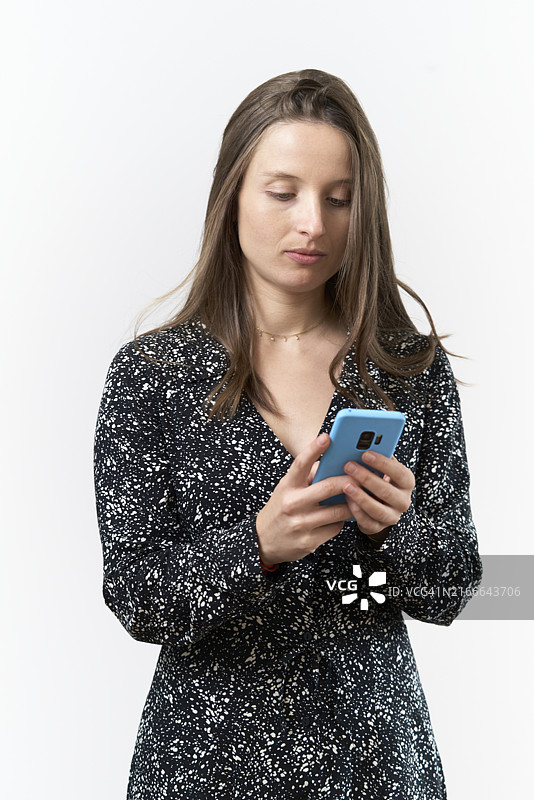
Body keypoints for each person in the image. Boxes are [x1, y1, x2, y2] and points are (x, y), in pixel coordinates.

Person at [94, 68, 483, 799]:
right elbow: (134, 595)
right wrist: (258, 547)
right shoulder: (152, 375)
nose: (314, 222)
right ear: (232, 194)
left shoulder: (407, 369)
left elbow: (460, 586)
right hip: (206, 766)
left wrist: (394, 531)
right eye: (284, 193)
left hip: (376, 761)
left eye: (340, 200)